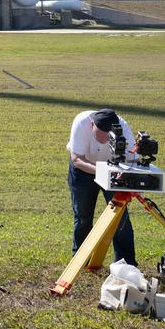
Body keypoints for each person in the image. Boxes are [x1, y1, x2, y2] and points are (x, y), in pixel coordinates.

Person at [66, 107, 137, 267]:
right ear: (92, 125)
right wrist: (102, 171)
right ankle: (80, 260)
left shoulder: (123, 127)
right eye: (99, 136)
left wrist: (125, 174)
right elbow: (76, 159)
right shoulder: (81, 122)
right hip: (83, 171)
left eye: (107, 138)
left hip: (113, 172)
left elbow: (134, 157)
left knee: (120, 218)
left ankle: (125, 263)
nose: (103, 140)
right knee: (83, 216)